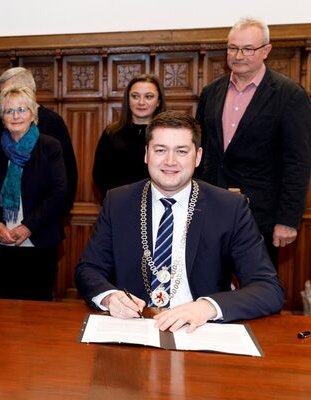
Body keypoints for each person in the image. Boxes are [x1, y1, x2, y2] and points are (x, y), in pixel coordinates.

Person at [75, 111, 284, 332]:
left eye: (181, 151)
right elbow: (89, 269)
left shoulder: (229, 207)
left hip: (201, 330)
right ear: (147, 154)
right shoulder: (118, 202)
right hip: (135, 328)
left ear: (198, 156)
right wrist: (109, 297)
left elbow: (268, 288)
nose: (170, 161)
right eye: (160, 150)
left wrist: (208, 307)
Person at [197, 17, 311, 268]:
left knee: (256, 291)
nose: (238, 55)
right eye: (232, 47)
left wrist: (288, 219)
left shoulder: (289, 95)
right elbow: (201, 150)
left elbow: (298, 163)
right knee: (208, 285)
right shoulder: (211, 93)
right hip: (211, 209)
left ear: (266, 51)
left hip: (261, 215)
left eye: (248, 49)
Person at [0, 86, 67, 301]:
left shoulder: (50, 146)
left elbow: (59, 192)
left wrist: (28, 226)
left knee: (39, 309)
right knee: (5, 307)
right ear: (2, 117)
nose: (16, 116)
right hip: (3, 242)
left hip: (40, 239)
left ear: (33, 114)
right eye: (9, 111)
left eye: (22, 109)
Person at [0, 67, 77, 216]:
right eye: (1, 93)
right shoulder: (0, 123)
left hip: (44, 217)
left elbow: (69, 171)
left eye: (9, 91)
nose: (4, 97)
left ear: (28, 90)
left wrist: (61, 211)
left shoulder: (53, 122)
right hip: (6, 215)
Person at [92, 74, 166, 198]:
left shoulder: (169, 134)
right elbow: (99, 174)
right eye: (135, 96)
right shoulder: (112, 133)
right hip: (119, 203)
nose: (141, 102)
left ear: (158, 101)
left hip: (159, 203)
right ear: (128, 100)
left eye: (149, 96)